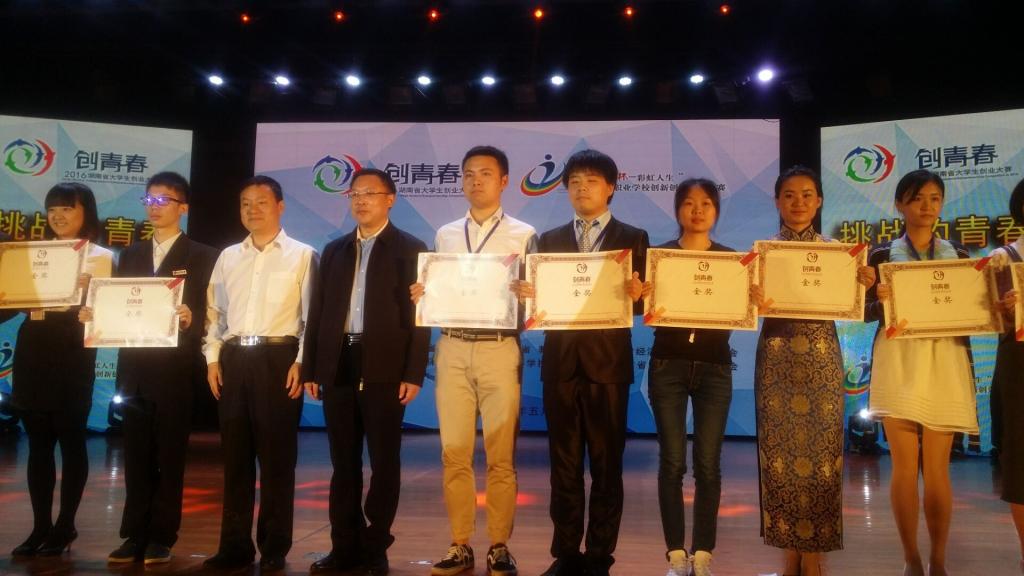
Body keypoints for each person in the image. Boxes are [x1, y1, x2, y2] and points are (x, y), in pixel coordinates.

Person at [410, 146, 537, 576]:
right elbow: (436, 288)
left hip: (499, 347)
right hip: (451, 346)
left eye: (485, 173)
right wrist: (422, 293)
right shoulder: (445, 235)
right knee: (454, 452)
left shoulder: (524, 234)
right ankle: (459, 543)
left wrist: (531, 294)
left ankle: (499, 545)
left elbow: (538, 300)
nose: (476, 180)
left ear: (504, 181)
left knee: (501, 455)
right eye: (468, 174)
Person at [523, 149, 649, 576]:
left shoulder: (634, 237)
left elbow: (644, 302)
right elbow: (538, 302)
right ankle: (565, 553)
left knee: (607, 464)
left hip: (607, 365)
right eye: (574, 181)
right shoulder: (548, 240)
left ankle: (599, 556)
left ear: (610, 187)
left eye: (592, 180)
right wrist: (529, 295)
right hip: (559, 363)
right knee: (563, 465)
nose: (582, 188)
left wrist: (639, 295)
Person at [82, 172, 218, 565]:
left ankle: (162, 535)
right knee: (136, 455)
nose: (155, 208)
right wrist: (95, 314)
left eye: (164, 201)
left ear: (183, 207)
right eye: (149, 200)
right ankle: (133, 534)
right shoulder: (130, 255)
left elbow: (214, 315)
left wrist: (192, 318)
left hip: (175, 370)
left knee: (170, 456)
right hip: (134, 369)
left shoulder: (204, 255)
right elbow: (118, 306)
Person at [302, 168, 429, 576]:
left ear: (390, 200)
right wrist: (312, 368)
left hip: (385, 366)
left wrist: (413, 372)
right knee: (343, 463)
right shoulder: (334, 249)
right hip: (338, 363)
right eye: (354, 194)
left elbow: (421, 317)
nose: (360, 200)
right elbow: (318, 313)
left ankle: (376, 545)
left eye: (370, 193)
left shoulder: (411, 249)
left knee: (384, 462)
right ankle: (343, 545)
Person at [753, 166, 875, 576]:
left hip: (822, 359)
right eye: (789, 195)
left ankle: (814, 554)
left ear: (819, 201)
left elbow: (856, 306)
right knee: (779, 457)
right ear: (777, 201)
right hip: (776, 359)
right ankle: (789, 551)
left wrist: (862, 283)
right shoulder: (763, 253)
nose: (798, 202)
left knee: (823, 457)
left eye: (807, 194)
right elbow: (743, 308)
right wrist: (748, 294)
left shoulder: (839, 254)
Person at [865, 169, 978, 576]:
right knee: (903, 467)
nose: (926, 206)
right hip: (898, 359)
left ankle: (939, 560)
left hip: (945, 359)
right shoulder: (881, 256)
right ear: (899, 204)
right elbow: (864, 312)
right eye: (916, 198)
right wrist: (877, 298)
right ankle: (911, 558)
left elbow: (971, 311)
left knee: (937, 469)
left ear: (942, 204)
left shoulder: (959, 256)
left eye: (934, 198)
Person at [202, 175, 318, 572]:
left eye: (261, 202)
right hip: (234, 358)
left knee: (276, 460)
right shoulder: (228, 256)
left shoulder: (303, 255)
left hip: (278, 359)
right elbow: (215, 313)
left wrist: (301, 361)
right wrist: (212, 359)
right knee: (235, 459)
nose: (252, 210)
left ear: (280, 206)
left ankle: (274, 547)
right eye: (245, 203)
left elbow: (312, 317)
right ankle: (234, 546)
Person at [9, 183, 114, 557]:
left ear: (86, 212)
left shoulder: (100, 257)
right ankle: (40, 526)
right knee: (37, 444)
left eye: (67, 208)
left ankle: (66, 524)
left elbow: (109, 311)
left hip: (73, 350)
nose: (58, 216)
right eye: (52, 209)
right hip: (34, 345)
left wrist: (91, 303)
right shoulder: (31, 254)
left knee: (71, 440)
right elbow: (9, 303)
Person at [640, 178, 736, 576]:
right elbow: (641, 306)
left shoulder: (733, 261)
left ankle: (704, 553)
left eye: (706, 203)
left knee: (709, 464)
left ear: (716, 211)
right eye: (689, 203)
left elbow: (741, 308)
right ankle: (676, 555)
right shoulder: (660, 257)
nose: (698, 211)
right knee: (672, 462)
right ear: (678, 209)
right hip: (669, 365)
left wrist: (752, 298)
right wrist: (640, 292)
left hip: (715, 367)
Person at [989, 179, 1024, 574]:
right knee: (1021, 458)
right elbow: (992, 318)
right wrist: (1005, 307)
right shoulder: (1004, 257)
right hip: (1019, 364)